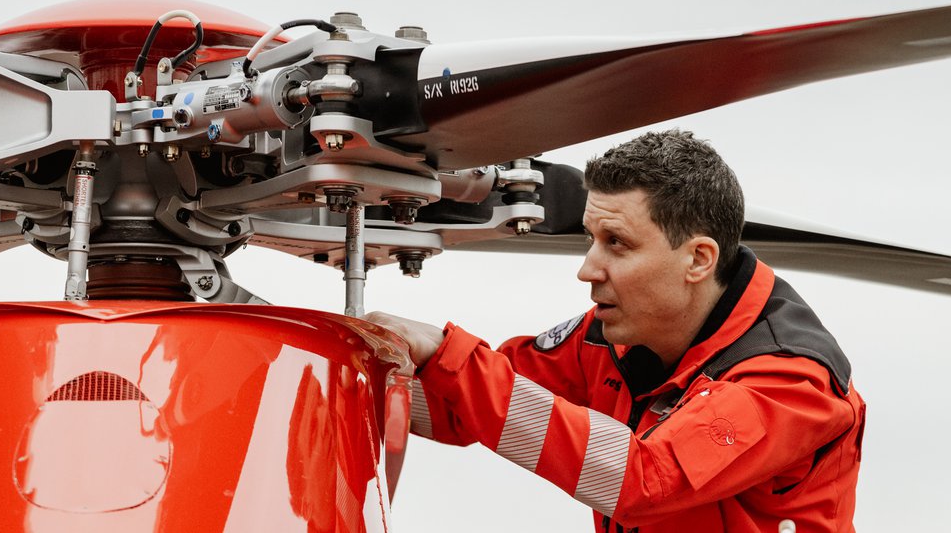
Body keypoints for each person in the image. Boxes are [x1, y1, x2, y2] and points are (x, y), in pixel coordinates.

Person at [367, 130, 865, 533]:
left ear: (697, 259)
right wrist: (346, 365)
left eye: (617, 243)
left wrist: (453, 357)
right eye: (590, 238)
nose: (587, 269)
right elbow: (468, 406)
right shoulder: (610, 339)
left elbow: (646, 483)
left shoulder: (788, 383)